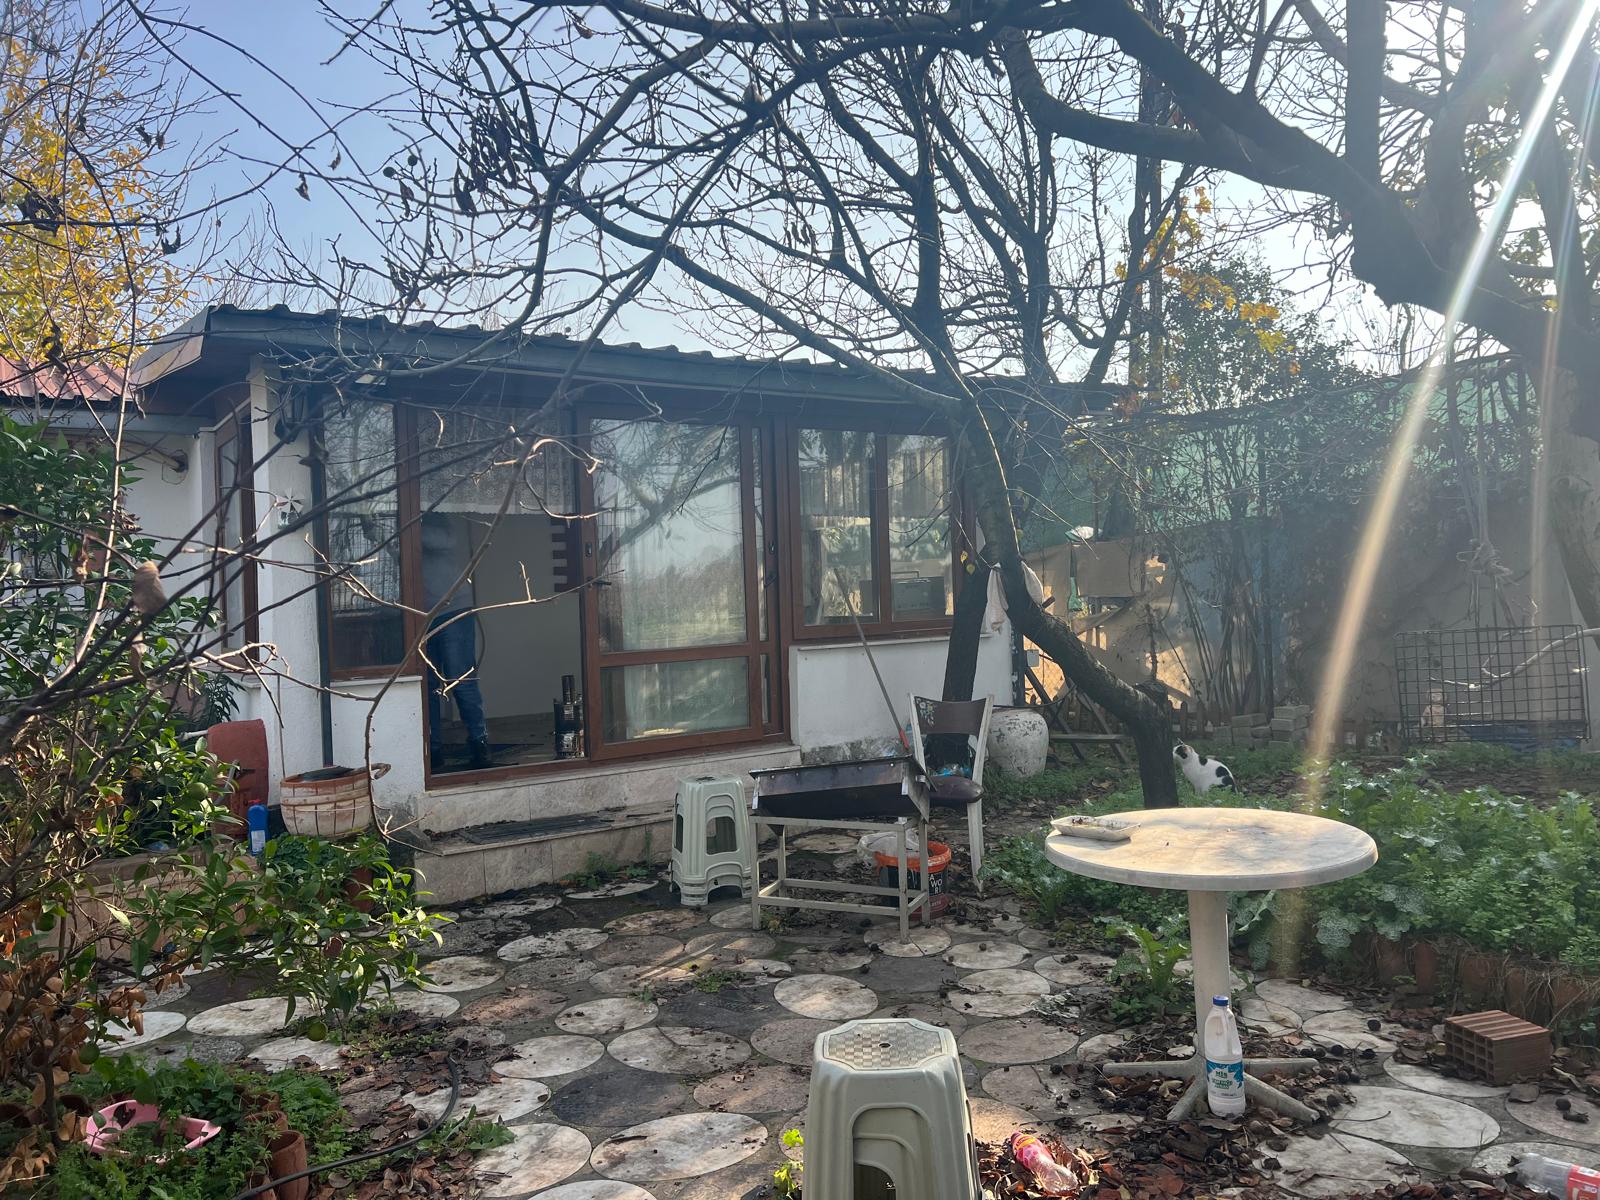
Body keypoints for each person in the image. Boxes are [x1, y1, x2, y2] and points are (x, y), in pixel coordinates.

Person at [422, 513, 491, 771]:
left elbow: (442, 541)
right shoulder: (414, 533)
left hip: (454, 611)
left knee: (461, 680)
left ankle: (479, 744)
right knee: (428, 686)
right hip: (423, 615)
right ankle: (433, 750)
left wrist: (406, 530)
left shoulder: (439, 524)